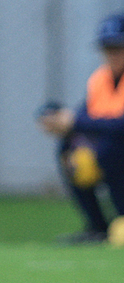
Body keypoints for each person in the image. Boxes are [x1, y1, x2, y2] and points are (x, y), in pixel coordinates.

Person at [38, 12, 124, 246]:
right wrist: (58, 119)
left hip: (116, 149)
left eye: (118, 47)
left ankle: (121, 216)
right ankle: (97, 226)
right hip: (111, 147)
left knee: (109, 149)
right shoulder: (100, 79)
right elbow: (87, 114)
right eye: (108, 48)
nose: (113, 54)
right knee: (69, 149)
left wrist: (74, 122)